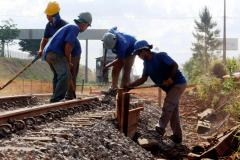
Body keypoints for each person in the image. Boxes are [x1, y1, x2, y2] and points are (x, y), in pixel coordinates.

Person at [126, 40, 187, 144]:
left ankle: (160, 128)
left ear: (145, 50)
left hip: (178, 84)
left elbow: (175, 65)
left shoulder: (160, 56)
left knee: (168, 105)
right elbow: (143, 79)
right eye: (137, 55)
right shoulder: (146, 64)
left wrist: (170, 78)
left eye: (139, 53)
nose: (139, 56)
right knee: (173, 112)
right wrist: (130, 86)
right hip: (169, 89)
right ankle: (177, 137)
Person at [42, 12, 92, 103]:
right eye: (87, 26)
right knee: (65, 75)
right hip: (55, 53)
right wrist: (68, 61)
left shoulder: (70, 26)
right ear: (84, 24)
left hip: (48, 53)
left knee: (58, 75)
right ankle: (56, 99)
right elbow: (68, 46)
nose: (86, 28)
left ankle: (55, 96)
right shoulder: (75, 28)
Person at [102, 27, 137, 95]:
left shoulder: (122, 45)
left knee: (126, 70)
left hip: (131, 49)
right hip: (124, 46)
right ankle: (114, 88)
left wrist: (107, 66)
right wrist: (105, 61)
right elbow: (114, 27)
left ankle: (122, 91)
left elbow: (119, 60)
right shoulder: (109, 33)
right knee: (115, 68)